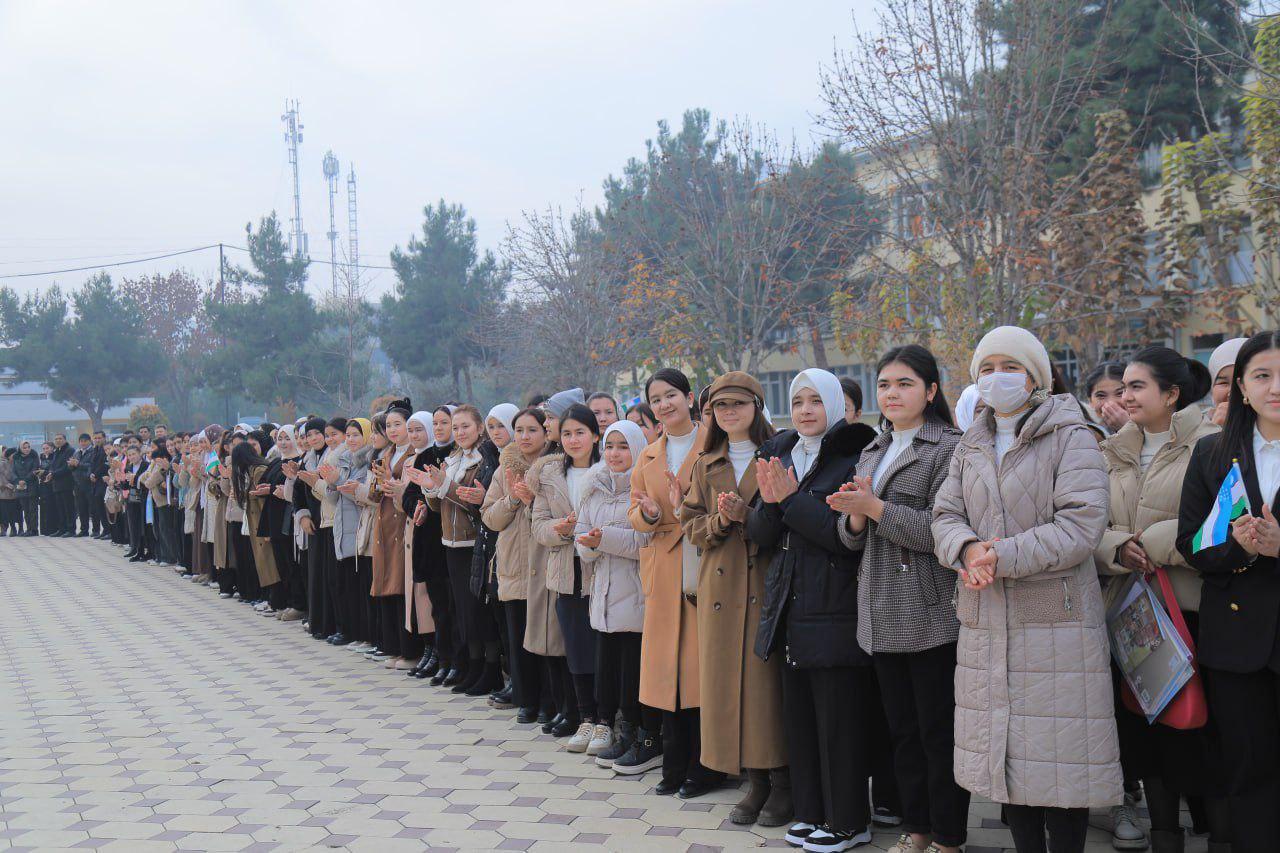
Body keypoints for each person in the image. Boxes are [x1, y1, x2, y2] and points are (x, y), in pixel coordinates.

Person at [932, 326, 1121, 853]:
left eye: (1009, 367)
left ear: (1036, 375)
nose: (997, 378)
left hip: (1055, 623)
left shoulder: (1071, 432)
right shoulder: (970, 441)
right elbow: (944, 513)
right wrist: (966, 549)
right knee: (1005, 756)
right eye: (986, 369)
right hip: (985, 616)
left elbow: (1082, 525)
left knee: (1061, 761)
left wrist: (1001, 555)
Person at [828, 345, 967, 853]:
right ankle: (917, 829)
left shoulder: (952, 447)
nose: (892, 393)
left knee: (937, 734)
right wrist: (856, 516)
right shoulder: (872, 448)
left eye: (905, 383)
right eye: (885, 384)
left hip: (930, 610)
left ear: (931, 391)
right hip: (880, 610)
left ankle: (949, 838)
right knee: (902, 734)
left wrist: (875, 507)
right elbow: (851, 538)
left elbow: (942, 531)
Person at [1095, 345, 1222, 853]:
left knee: (1201, 730)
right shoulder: (1111, 451)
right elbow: (1088, 526)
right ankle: (1164, 834)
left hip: (1191, 607)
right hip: (1130, 610)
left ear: (1172, 395)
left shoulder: (1211, 444)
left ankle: (1222, 833)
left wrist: (1146, 544)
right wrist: (1115, 549)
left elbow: (1218, 521)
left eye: (1136, 386)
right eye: (1122, 387)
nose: (1125, 396)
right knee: (1145, 728)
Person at [749, 368, 879, 853]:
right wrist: (768, 504)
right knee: (800, 721)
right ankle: (811, 813)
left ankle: (849, 820)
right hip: (790, 605)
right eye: (797, 400)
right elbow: (762, 536)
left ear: (834, 405)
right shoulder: (783, 455)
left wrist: (790, 499)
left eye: (815, 401)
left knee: (838, 723)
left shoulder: (851, 458)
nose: (805, 410)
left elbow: (842, 537)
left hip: (835, 605)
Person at [1176, 330, 1280, 851]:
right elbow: (1192, 544)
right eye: (1263, 375)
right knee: (1249, 770)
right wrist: (1240, 548)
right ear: (1240, 386)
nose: (1275, 387)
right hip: (1238, 641)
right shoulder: (1215, 454)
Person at [681, 372, 790, 827]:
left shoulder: (781, 455)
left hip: (763, 583)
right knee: (728, 686)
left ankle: (782, 781)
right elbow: (690, 525)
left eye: (739, 405)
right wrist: (720, 523)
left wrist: (745, 516)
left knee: (765, 689)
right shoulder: (706, 462)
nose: (730, 413)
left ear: (756, 408)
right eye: (721, 407)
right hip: (721, 590)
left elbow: (785, 519)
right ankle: (755, 780)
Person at [628, 368, 722, 794]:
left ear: (689, 398)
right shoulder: (649, 454)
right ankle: (674, 763)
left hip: (702, 557)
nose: (664, 405)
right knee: (667, 670)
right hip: (664, 566)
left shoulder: (714, 444)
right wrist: (648, 513)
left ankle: (707, 765)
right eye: (657, 399)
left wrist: (679, 503)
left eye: (671, 395)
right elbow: (635, 509)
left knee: (700, 668)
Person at [574, 419, 653, 763]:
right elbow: (582, 538)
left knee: (632, 672)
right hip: (603, 591)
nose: (615, 453)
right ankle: (617, 730)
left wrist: (602, 537)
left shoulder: (643, 486)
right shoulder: (593, 487)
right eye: (610, 446)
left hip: (636, 593)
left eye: (623, 446)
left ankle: (637, 734)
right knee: (608, 668)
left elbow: (645, 542)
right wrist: (590, 545)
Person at [529, 403, 602, 745]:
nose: (574, 440)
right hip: (566, 573)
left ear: (595, 435)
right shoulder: (550, 475)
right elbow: (538, 527)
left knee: (604, 648)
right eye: (568, 433)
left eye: (581, 433)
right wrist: (560, 529)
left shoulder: (609, 469)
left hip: (603, 571)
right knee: (576, 648)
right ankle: (585, 717)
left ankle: (605, 719)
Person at [422, 405, 503, 696]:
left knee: (479, 611)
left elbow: (474, 503)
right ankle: (472, 665)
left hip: (474, 542)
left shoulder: (485, 460)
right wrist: (431, 488)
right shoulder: (453, 457)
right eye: (456, 428)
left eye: (465, 426)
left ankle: (490, 669)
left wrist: (444, 485)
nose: (459, 432)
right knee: (462, 610)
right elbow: (439, 505)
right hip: (450, 542)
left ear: (480, 428)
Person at [482, 406, 553, 725]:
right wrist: (512, 498)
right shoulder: (504, 469)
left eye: (532, 430)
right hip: (513, 563)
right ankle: (527, 700)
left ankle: (552, 702)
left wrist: (531, 500)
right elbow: (490, 517)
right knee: (518, 637)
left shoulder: (554, 467)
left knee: (546, 638)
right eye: (520, 430)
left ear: (545, 432)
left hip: (545, 562)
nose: (524, 437)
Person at [1206, 337, 1248, 427]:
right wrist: (1215, 431)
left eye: (1242, 381)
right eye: (1223, 383)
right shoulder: (1193, 429)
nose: (1232, 393)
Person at [1083, 362, 1129, 435]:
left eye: (1120, 393)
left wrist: (1127, 428)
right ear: (1090, 401)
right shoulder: (1082, 434)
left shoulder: (1149, 428)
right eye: (1101, 395)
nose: (1111, 402)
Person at [13, 440, 39, 535]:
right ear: (20, 448)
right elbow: (13, 472)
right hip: (21, 487)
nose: (27, 449)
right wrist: (18, 480)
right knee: (26, 510)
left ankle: (34, 530)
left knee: (33, 509)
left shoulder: (34, 457)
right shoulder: (16, 458)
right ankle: (28, 529)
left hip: (31, 485)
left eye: (28, 447)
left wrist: (25, 480)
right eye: (24, 447)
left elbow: (35, 470)